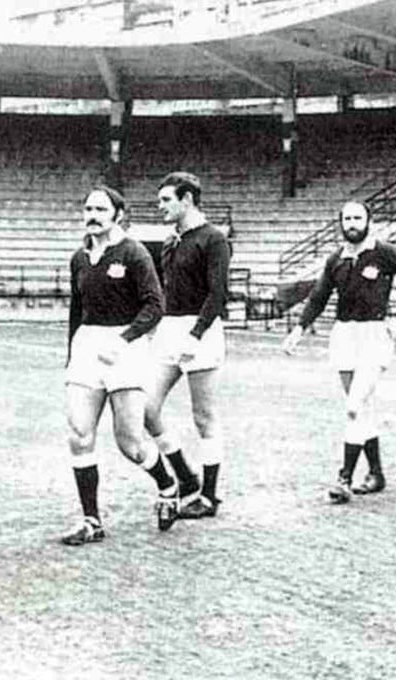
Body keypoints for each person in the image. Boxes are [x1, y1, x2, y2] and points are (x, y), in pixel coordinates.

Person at [282, 200, 396, 504]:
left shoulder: (384, 252)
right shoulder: (336, 258)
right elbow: (318, 296)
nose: (352, 223)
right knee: (362, 408)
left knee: (354, 406)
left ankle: (344, 478)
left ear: (368, 220)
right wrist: (298, 329)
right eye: (347, 218)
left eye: (357, 217)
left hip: (374, 334)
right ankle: (376, 473)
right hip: (344, 335)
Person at [60, 185, 178, 545]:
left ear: (118, 214)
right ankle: (91, 520)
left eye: (100, 208)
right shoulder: (79, 258)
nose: (92, 214)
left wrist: (123, 340)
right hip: (87, 348)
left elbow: (155, 306)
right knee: (79, 434)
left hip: (125, 347)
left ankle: (167, 483)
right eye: (88, 208)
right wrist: (72, 355)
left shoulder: (134, 253)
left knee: (129, 442)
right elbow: (76, 313)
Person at [143, 172, 231, 520]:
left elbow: (218, 293)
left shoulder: (213, 239)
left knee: (204, 416)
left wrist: (196, 335)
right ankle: (184, 475)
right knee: (145, 408)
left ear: (187, 199)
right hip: (170, 329)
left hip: (202, 331)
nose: (160, 205)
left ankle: (208, 497)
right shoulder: (170, 241)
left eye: (166, 200)